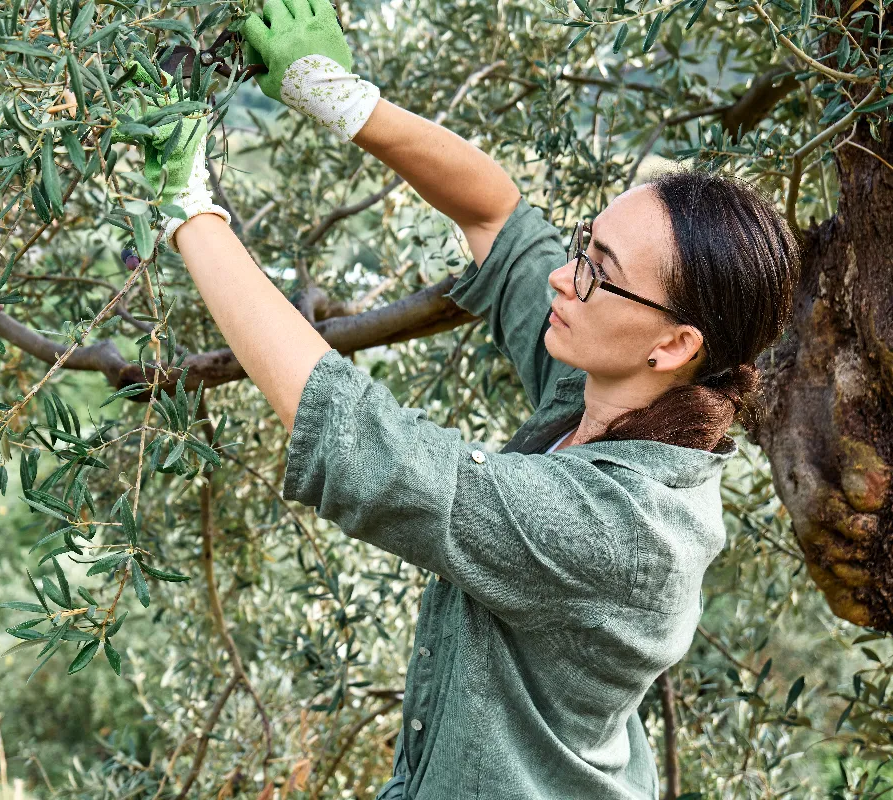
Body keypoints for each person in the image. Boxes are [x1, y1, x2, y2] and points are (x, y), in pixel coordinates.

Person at [123, 0, 801, 795]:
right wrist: (339, 96)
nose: (564, 275)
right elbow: (499, 219)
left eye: (598, 270)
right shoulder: (613, 396)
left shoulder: (620, 532)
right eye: (584, 245)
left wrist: (190, 209)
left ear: (675, 345)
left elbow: (364, 445)